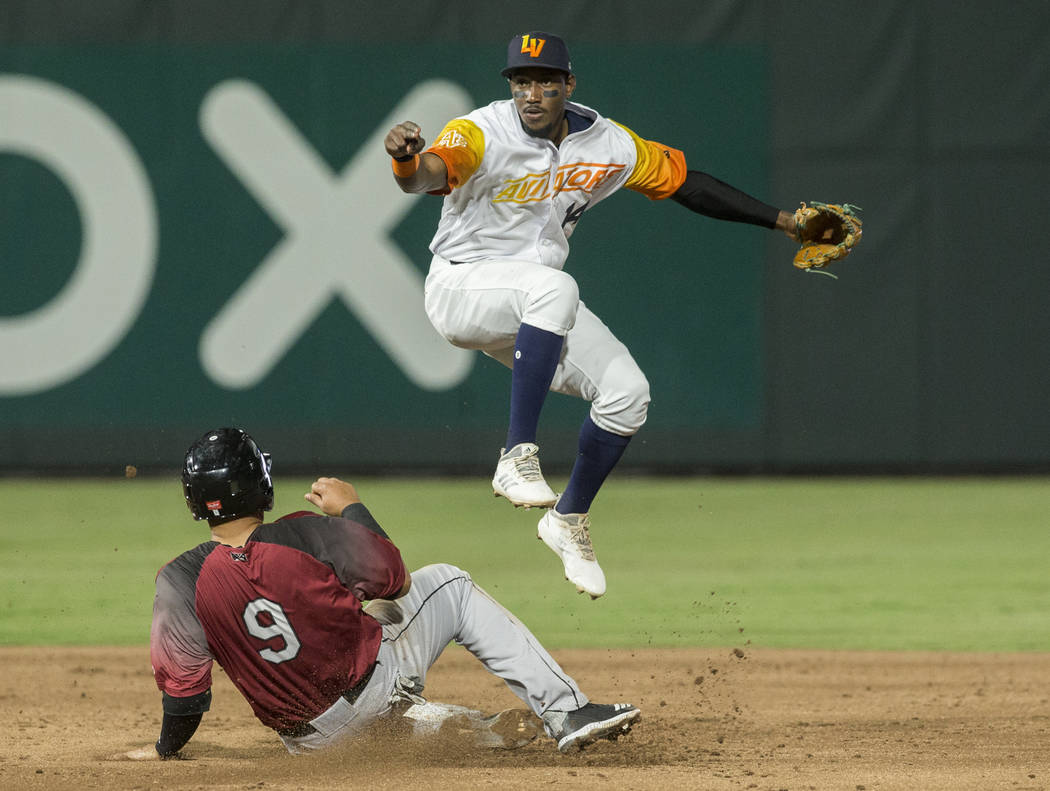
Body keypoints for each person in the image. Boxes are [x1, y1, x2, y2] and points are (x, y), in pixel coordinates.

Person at [384, 31, 801, 599]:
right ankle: (516, 456)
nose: (531, 93)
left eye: (545, 82)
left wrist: (785, 222)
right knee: (555, 288)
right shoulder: (481, 130)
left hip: (535, 308)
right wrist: (405, 159)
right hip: (463, 286)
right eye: (520, 81)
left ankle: (567, 519)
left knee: (628, 394)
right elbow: (428, 175)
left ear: (569, 84)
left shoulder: (608, 142)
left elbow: (688, 186)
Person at [121, 427, 641, 761]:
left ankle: (450, 728)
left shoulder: (179, 580)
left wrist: (167, 751)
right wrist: (351, 509)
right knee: (451, 584)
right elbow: (395, 577)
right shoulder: (302, 533)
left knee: (364, 713)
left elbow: (185, 695)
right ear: (259, 484)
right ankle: (566, 710)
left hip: (309, 744)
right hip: (372, 687)